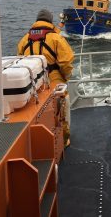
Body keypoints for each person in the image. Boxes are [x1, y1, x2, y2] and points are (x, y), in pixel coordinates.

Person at [17, 9, 74, 147]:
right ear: (50, 21)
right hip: (53, 78)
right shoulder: (56, 38)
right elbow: (66, 62)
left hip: (33, 82)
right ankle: (64, 140)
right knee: (61, 108)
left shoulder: (25, 39)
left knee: (37, 110)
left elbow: (19, 59)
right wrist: (66, 77)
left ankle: (40, 140)